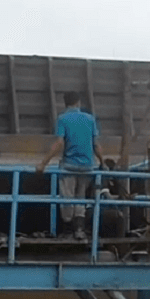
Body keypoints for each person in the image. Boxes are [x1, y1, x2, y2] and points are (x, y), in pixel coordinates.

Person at [35, 91, 102, 240]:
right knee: (81, 197)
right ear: (78, 102)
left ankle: (67, 232)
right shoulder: (90, 119)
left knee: (67, 198)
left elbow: (59, 143)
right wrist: (103, 162)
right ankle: (79, 230)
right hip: (87, 166)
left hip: (69, 166)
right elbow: (96, 145)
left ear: (65, 104)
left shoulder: (62, 119)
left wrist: (43, 163)